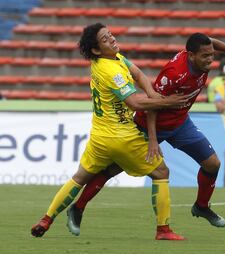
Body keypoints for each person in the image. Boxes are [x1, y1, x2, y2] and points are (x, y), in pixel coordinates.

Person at [65, 33, 225, 235]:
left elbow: (211, 42)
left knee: (212, 164)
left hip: (181, 123)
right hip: (150, 125)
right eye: (205, 56)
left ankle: (201, 207)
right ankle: (78, 207)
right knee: (113, 169)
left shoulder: (202, 53)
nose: (210, 60)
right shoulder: (173, 74)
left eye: (211, 55)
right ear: (191, 55)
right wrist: (153, 140)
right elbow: (152, 104)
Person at [30, 23, 190, 241]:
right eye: (105, 39)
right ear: (96, 50)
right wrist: (167, 101)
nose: (112, 39)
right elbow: (134, 103)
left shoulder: (112, 59)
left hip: (99, 137)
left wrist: (152, 93)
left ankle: (46, 219)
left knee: (79, 178)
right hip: (122, 137)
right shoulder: (112, 71)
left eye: (110, 35)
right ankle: (163, 230)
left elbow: (139, 74)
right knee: (161, 173)